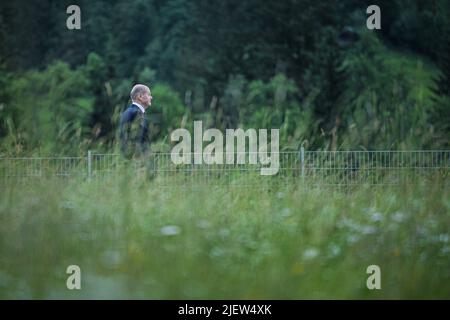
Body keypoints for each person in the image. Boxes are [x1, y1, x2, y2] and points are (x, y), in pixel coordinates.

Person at [119, 84, 153, 159]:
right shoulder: (136, 113)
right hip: (136, 157)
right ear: (140, 97)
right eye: (149, 94)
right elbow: (138, 137)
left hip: (128, 155)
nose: (151, 97)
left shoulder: (128, 111)